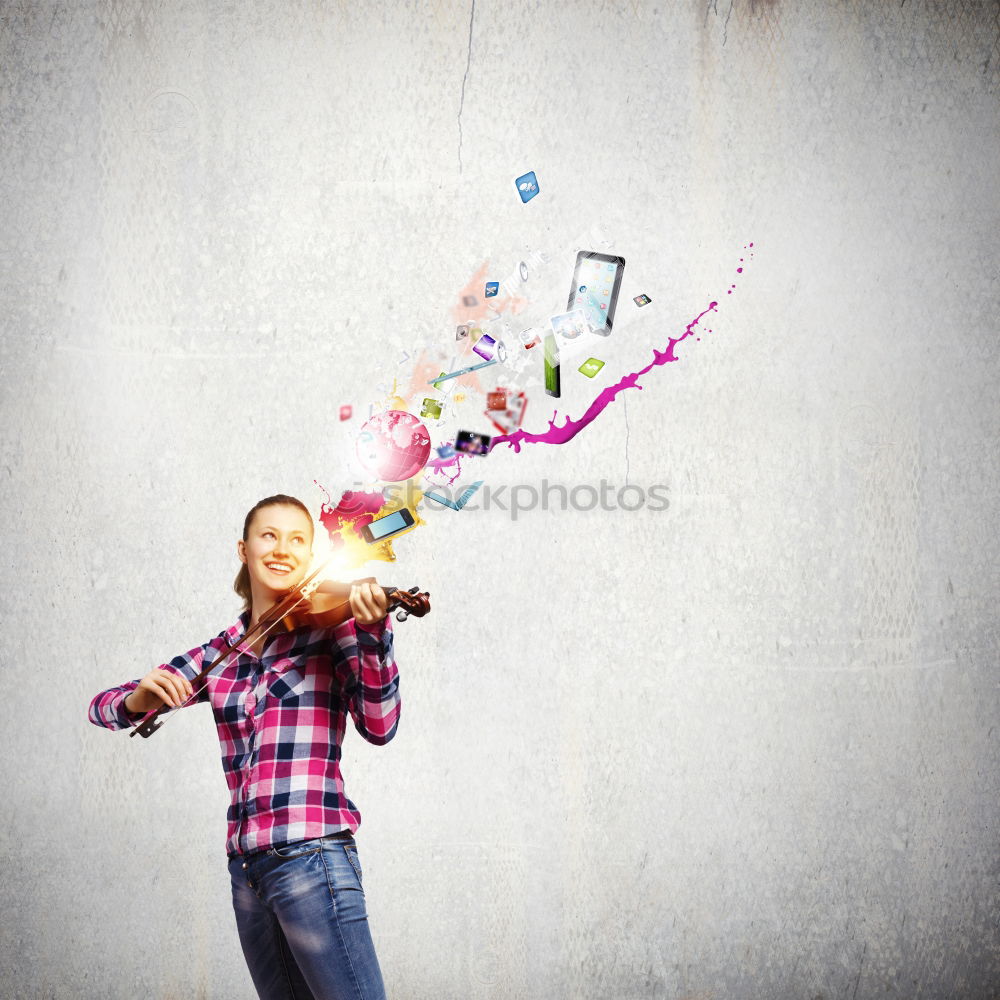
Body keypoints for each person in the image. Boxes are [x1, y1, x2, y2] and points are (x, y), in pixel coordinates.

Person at [88, 494, 399, 1000]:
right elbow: (101, 707)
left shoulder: (333, 626)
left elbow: (381, 725)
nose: (283, 549)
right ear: (244, 548)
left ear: (311, 553)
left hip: (312, 855)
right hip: (247, 873)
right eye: (269, 535)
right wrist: (140, 698)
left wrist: (374, 633)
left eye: (298, 539)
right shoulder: (223, 651)